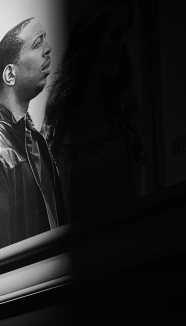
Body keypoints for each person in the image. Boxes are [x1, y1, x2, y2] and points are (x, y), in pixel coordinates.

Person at [41, 1, 146, 224]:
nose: (124, 41)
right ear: (93, 40)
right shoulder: (57, 122)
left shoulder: (126, 113)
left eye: (126, 32)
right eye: (116, 33)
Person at [0, 17, 66, 252]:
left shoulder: (37, 141)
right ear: (10, 75)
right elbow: (1, 261)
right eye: (37, 43)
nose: (48, 49)